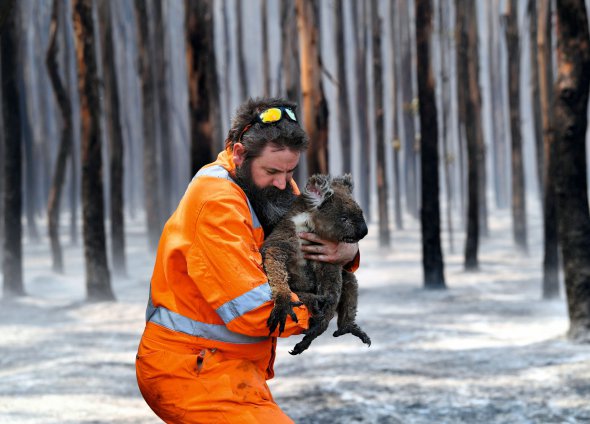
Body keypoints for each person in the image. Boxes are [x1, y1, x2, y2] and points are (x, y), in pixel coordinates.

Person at [135, 97, 360, 423]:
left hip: (229, 368)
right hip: (191, 370)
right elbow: (254, 309)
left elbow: (316, 239)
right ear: (240, 154)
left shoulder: (269, 184)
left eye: (290, 170)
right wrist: (322, 308)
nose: (285, 183)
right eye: (273, 171)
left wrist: (348, 253)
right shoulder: (217, 203)